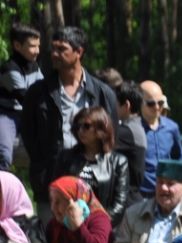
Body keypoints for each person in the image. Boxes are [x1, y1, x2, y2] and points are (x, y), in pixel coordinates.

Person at [20, 26, 119, 205]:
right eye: (53, 48)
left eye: (62, 49)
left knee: (91, 233)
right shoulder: (38, 93)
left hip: (94, 185)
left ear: (79, 52)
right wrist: (42, 165)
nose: (55, 54)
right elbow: (28, 134)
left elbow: (111, 137)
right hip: (51, 184)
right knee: (52, 233)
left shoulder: (103, 94)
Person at [53, 106, 130, 227]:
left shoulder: (118, 162)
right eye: (78, 126)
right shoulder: (66, 157)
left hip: (102, 229)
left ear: (101, 129)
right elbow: (56, 193)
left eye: (86, 126)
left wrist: (99, 224)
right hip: (69, 225)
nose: (81, 130)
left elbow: (119, 204)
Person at [0, 23, 42, 171]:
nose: (37, 51)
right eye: (32, 46)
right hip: (7, 114)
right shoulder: (9, 68)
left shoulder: (34, 66)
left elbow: (41, 92)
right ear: (17, 45)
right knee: (4, 154)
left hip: (25, 113)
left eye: (38, 46)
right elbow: (26, 98)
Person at [138, 80, 182, 197]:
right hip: (141, 195)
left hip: (167, 193)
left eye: (161, 102)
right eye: (151, 103)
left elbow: (179, 159)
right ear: (140, 102)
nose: (157, 107)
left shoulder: (172, 127)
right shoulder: (133, 129)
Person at [113, 80, 148, 202]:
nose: (113, 107)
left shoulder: (127, 132)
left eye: (116, 103)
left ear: (126, 105)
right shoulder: (136, 127)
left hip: (127, 200)